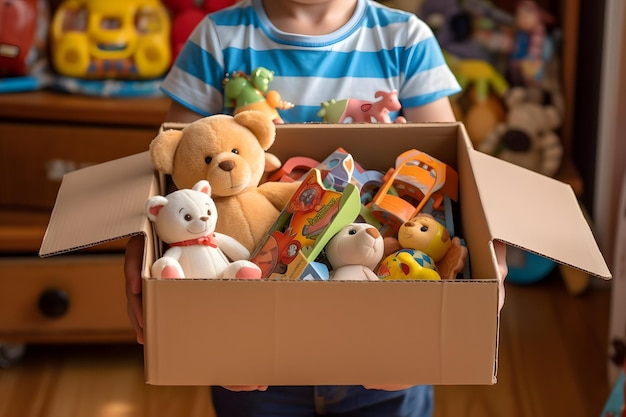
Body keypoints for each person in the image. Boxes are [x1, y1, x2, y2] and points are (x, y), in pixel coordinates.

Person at [125, 0, 508, 416]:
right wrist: (144, 243)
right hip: (253, 354)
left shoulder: (405, 40)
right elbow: (175, 169)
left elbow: (449, 177)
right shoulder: (218, 39)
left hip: (385, 354)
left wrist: (450, 313)